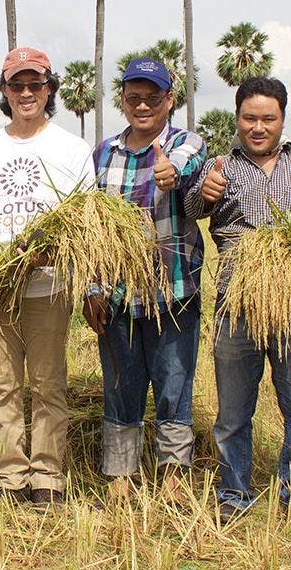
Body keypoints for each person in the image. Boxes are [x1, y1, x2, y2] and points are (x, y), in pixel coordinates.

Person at [185, 76, 291, 523]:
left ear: (282, 120)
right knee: (233, 413)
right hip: (236, 304)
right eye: (249, 118)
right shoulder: (221, 165)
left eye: (267, 119)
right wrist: (205, 192)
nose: (258, 127)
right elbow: (193, 209)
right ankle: (233, 495)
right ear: (237, 119)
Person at [0, 47, 94, 506]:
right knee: (0, 384)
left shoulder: (71, 148)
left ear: (49, 89)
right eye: (17, 85)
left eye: (36, 84)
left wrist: (49, 252)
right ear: (5, 91)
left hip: (48, 285)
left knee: (49, 382)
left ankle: (48, 476)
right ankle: (11, 476)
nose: (27, 93)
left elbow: (85, 222)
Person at [83, 57, 207, 502]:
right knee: (121, 384)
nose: (142, 106)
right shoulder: (103, 153)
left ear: (169, 100)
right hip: (117, 295)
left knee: (174, 382)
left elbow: (183, 167)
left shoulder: (185, 142)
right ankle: (121, 476)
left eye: (152, 98)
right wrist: (93, 288)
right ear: (122, 100)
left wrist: (169, 174)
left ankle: (173, 475)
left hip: (173, 290)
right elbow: (93, 228)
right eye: (133, 98)